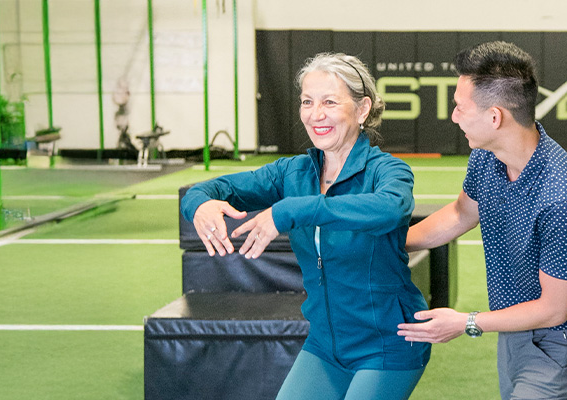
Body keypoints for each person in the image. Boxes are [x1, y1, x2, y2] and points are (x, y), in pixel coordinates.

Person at [180, 53, 430, 400]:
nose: (316, 114)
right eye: (307, 102)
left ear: (362, 110)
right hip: (326, 345)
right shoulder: (291, 172)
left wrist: (290, 210)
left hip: (389, 342)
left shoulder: (387, 170)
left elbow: (391, 209)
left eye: (329, 102)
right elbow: (210, 189)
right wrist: (199, 205)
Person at [398, 41, 567, 400]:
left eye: (460, 108)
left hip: (560, 344)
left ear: (495, 117)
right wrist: (392, 244)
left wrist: (466, 322)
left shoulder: (565, 200)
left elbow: (553, 310)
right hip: (514, 332)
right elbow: (461, 214)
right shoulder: (487, 156)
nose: (454, 116)